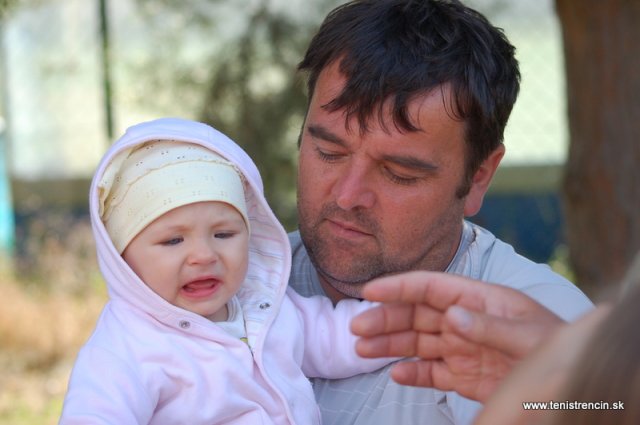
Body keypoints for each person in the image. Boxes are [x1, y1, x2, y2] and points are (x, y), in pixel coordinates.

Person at [287, 1, 594, 424]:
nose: (347, 195)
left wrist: (575, 401)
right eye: (328, 151)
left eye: (399, 173)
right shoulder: (213, 282)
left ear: (479, 176)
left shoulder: (532, 317)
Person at [59, 117, 393, 424]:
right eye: (174, 240)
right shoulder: (125, 346)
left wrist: (415, 322)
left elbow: (335, 337)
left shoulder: (264, 307)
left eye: (223, 234)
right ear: (123, 258)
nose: (204, 255)